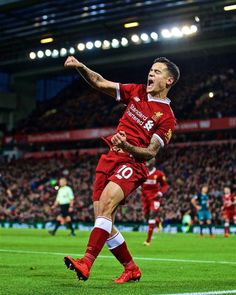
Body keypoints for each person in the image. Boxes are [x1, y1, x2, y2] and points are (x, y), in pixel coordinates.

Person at [63, 55, 180, 283]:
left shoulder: (167, 118)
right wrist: (80, 67)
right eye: (151, 70)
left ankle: (86, 262)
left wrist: (126, 145)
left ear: (169, 80)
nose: (151, 73)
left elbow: (151, 152)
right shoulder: (136, 91)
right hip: (109, 158)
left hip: (132, 162)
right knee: (104, 220)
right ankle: (131, 268)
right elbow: (100, 82)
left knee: (106, 206)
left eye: (157, 71)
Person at [140, 158, 168, 246]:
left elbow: (165, 185)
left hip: (155, 198)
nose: (147, 162)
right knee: (146, 216)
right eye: (147, 160)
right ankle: (158, 221)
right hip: (144, 198)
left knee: (152, 215)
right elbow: (138, 182)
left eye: (150, 161)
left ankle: (148, 240)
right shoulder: (142, 172)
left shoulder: (159, 174)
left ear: (154, 162)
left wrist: (160, 192)